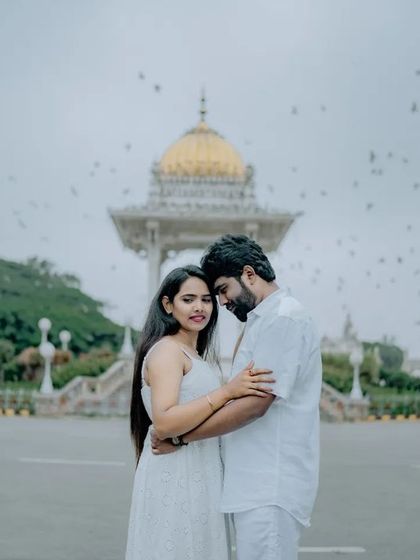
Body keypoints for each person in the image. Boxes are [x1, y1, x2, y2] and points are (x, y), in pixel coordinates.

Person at [152, 236, 322, 560]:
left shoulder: (283, 318)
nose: (221, 302)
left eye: (222, 290)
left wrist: (182, 437)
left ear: (248, 274)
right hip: (252, 484)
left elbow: (256, 404)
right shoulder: (262, 321)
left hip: (269, 486)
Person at [125, 264, 274, 560]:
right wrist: (228, 391)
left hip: (198, 469)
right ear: (168, 304)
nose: (200, 307)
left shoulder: (192, 354)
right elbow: (165, 421)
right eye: (188, 299)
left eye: (206, 299)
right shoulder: (167, 351)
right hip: (176, 471)